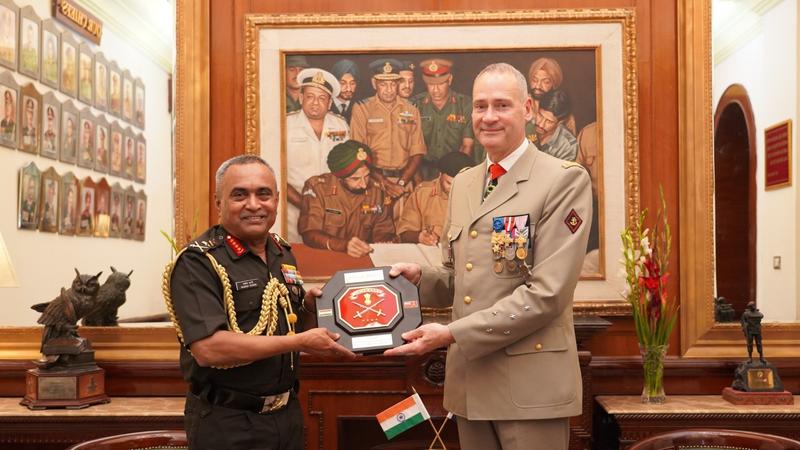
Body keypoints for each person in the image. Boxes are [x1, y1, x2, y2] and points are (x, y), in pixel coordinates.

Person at [385, 63, 592, 450]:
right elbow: (461, 277)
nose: (489, 117)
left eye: (502, 105)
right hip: (470, 384)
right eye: (480, 106)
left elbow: (547, 293)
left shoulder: (563, 179)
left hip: (530, 390)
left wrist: (450, 334)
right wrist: (420, 278)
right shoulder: (464, 182)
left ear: (528, 109)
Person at [166, 155, 354, 449]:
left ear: (277, 200)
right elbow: (209, 349)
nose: (254, 205)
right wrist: (300, 343)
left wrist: (307, 307)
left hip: (286, 415)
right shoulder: (198, 262)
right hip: (228, 422)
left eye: (263, 194)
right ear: (219, 203)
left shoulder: (282, 252)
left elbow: (288, 326)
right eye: (240, 195)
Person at [350, 58, 426, 217]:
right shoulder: (362, 109)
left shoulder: (411, 109)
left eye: (393, 83)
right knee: (374, 232)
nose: (389, 90)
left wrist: (401, 183)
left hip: (404, 183)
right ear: (374, 83)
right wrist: (384, 183)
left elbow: (417, 152)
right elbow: (357, 152)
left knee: (402, 231)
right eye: (383, 84)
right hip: (372, 182)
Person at [298, 140, 396, 258]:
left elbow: (383, 230)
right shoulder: (317, 188)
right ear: (339, 177)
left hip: (362, 259)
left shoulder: (377, 191)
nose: (364, 185)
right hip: (326, 257)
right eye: (355, 179)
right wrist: (342, 245)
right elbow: (310, 233)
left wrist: (386, 241)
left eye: (367, 176)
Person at [285, 67, 349, 242]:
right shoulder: (284, 126)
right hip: (294, 209)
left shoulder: (341, 125)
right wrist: (306, 205)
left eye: (322, 98)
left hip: (333, 211)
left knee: (329, 258)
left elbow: (348, 169)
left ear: (329, 103)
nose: (315, 103)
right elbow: (275, 175)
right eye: (310, 97)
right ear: (300, 98)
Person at [411, 58, 475, 179]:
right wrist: (417, 180)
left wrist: (457, 176)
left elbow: (467, 145)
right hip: (422, 170)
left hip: (454, 171)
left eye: (440, 84)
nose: (435, 90)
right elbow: (409, 147)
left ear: (449, 80)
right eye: (431, 84)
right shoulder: (415, 105)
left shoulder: (465, 105)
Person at [397, 151, 473, 245]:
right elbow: (404, 233)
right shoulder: (422, 194)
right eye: (449, 183)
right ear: (440, 175)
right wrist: (420, 237)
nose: (454, 189)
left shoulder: (477, 196)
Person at [526, 57, 576, 135]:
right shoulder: (521, 104)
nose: (538, 86)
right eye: (535, 80)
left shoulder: (566, 116)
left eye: (546, 82)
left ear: (554, 84)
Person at [533, 89, 578, 161]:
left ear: (560, 122)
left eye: (549, 121)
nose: (541, 124)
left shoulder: (567, 146)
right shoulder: (524, 124)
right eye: (540, 115)